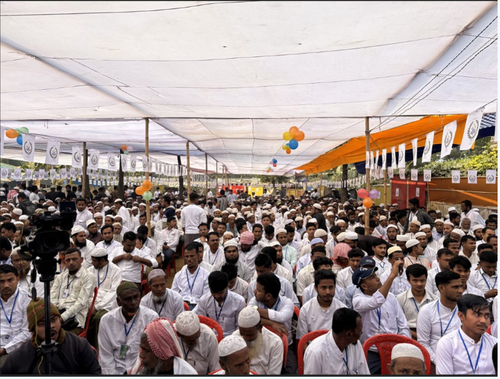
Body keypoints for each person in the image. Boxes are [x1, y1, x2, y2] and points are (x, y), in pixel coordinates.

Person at [0, 298, 101, 374]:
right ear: (32, 329)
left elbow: (95, 373)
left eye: (54, 319)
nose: (50, 326)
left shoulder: (79, 346)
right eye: (42, 324)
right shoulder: (18, 357)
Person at [352, 258, 411, 374]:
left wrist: (404, 346)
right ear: (364, 286)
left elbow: (403, 325)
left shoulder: (391, 297)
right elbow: (376, 301)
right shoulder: (358, 300)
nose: (377, 278)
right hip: (372, 351)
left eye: (375, 275)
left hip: (395, 348)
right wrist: (391, 276)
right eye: (371, 278)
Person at [98, 282, 158, 374]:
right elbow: (106, 356)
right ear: (118, 302)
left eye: (135, 297)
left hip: (142, 369)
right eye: (128, 299)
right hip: (117, 369)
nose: (133, 302)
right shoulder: (107, 320)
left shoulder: (151, 317)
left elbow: (153, 353)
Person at [436, 294, 497, 374]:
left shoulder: (494, 343)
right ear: (461, 316)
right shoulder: (448, 343)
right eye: (477, 314)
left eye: (487, 316)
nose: (483, 321)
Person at [416, 271, 463, 367]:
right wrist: (439, 361)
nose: (460, 291)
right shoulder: (427, 311)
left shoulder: (465, 309)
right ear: (441, 288)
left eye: (460, 286)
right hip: (436, 361)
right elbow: (423, 343)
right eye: (455, 287)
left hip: (463, 359)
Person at [303, 308, 370, 375]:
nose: (361, 333)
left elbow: (364, 372)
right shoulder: (316, 352)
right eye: (359, 331)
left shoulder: (355, 343)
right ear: (349, 334)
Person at [128, 318, 197, 375]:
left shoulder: (187, 373)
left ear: (163, 353)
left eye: (147, 351)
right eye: (142, 349)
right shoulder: (141, 370)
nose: (141, 355)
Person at [50, 248, 95, 333]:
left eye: (74, 259)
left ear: (81, 260)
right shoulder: (60, 277)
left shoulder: (88, 276)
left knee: (57, 338)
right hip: (57, 316)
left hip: (75, 320)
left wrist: (62, 318)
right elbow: (53, 297)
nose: (71, 262)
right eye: (68, 260)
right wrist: (54, 315)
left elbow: (81, 303)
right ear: (64, 261)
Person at [86, 248, 122, 349]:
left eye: (94, 261)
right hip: (91, 301)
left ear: (102, 261)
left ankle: (96, 347)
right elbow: (87, 289)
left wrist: (97, 307)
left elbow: (113, 292)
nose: (92, 263)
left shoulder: (116, 270)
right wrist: (89, 304)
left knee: (98, 318)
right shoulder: (90, 270)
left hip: (108, 303)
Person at [297, 269, 347, 340]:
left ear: (335, 287)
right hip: (312, 349)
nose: (328, 292)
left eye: (331, 287)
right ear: (315, 288)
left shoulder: (343, 309)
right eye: (323, 288)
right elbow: (302, 340)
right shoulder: (306, 309)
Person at [233, 306, 283, 375]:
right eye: (242, 334)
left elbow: (274, 373)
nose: (245, 338)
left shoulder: (275, 342)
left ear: (260, 328)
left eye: (250, 335)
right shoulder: (234, 337)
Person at [193, 271, 245, 337]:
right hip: (211, 336)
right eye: (213, 292)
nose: (217, 296)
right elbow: (203, 325)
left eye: (220, 293)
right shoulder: (204, 300)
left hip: (231, 337)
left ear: (227, 286)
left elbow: (239, 327)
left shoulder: (239, 301)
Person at [248, 273, 294, 346]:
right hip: (260, 345)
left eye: (258, 290)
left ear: (268, 296)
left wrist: (255, 309)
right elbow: (249, 316)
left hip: (285, 344)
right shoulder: (255, 299)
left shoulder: (287, 303)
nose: (254, 291)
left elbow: (281, 317)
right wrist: (272, 323)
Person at [397, 264, 438, 340]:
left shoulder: (434, 299)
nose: (419, 284)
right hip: (408, 335)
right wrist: (416, 335)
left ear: (426, 279)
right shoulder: (401, 298)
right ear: (408, 280)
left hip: (429, 335)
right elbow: (399, 324)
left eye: (422, 280)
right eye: (415, 280)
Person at [0, 265, 31, 366]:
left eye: (10, 280)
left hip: (18, 348)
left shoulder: (26, 300)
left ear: (17, 280)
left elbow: (27, 333)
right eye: (1, 281)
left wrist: (4, 349)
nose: (6, 285)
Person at [171, 243, 210, 309]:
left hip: (199, 306)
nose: (189, 259)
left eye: (192, 256)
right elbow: (173, 295)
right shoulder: (179, 275)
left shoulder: (206, 275)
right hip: (182, 306)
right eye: (187, 256)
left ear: (198, 256)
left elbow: (205, 298)